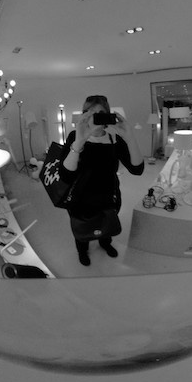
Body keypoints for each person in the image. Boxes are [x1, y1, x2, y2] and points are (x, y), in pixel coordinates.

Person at [59, 95, 144, 266]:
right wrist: (80, 141)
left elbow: (137, 169)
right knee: (82, 230)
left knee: (107, 225)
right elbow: (65, 175)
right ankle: (82, 251)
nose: (94, 116)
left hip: (108, 196)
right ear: (84, 116)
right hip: (80, 198)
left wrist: (130, 137)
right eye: (89, 112)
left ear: (107, 116)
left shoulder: (114, 139)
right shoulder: (75, 136)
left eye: (100, 112)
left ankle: (105, 244)